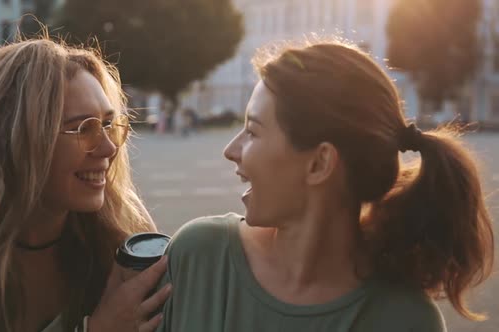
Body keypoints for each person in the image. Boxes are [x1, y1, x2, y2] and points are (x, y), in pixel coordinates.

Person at [155, 41, 495, 332]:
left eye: (253, 131)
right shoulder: (197, 257)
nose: (230, 151)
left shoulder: (407, 321)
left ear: (319, 164)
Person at [0, 35, 171, 332]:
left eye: (109, 125)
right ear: (13, 140)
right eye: (84, 128)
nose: (109, 149)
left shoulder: (126, 229)